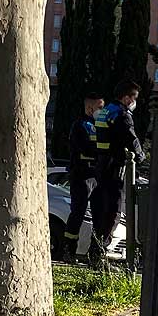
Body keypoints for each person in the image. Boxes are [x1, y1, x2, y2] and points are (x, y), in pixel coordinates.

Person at [91, 80, 144, 265]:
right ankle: (101, 251)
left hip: (101, 166)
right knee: (114, 212)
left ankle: (94, 250)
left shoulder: (104, 112)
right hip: (115, 168)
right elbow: (131, 138)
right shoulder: (122, 115)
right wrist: (141, 156)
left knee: (101, 210)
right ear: (126, 97)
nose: (134, 101)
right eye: (134, 98)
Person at [63, 93, 103, 263]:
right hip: (82, 175)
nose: (103, 111)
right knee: (77, 212)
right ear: (89, 108)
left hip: (97, 176)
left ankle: (95, 255)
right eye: (100, 108)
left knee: (100, 216)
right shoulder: (80, 126)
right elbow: (85, 149)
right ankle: (69, 251)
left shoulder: (100, 125)